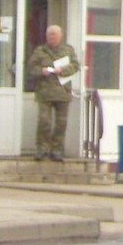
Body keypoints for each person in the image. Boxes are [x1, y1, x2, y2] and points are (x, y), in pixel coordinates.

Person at [26, 23, 79, 161]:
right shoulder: (40, 51)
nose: (52, 38)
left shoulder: (68, 50)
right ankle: (42, 149)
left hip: (63, 92)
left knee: (61, 123)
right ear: (46, 36)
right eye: (50, 35)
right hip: (44, 92)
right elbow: (31, 68)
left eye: (55, 35)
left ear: (61, 36)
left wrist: (63, 70)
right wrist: (41, 71)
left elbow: (75, 66)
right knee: (44, 122)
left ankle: (57, 150)